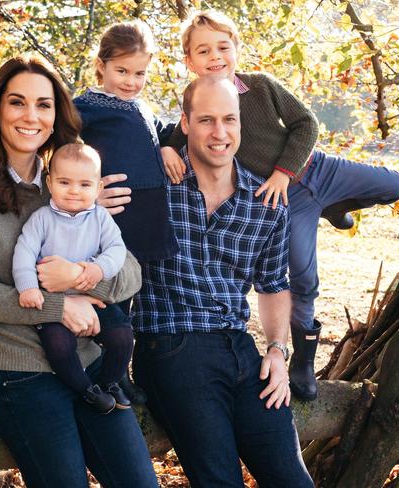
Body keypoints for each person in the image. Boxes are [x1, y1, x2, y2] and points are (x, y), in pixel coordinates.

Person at [0, 55, 158, 488]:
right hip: (20, 373)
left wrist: (78, 275)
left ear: (57, 116)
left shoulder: (72, 182)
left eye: (44, 104)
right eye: (17, 103)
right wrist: (58, 307)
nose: (31, 116)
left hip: (91, 363)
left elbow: (130, 272)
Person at [161, 10, 399, 401]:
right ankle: (303, 363)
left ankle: (336, 205)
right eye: (203, 51)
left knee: (395, 184)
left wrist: (282, 171)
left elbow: (306, 123)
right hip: (287, 202)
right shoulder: (199, 106)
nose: (215, 57)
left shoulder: (260, 86)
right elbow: (178, 135)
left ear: (236, 49)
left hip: (316, 170)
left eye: (223, 47)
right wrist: (164, 149)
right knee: (303, 278)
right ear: (189, 61)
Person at [132, 76, 314, 487]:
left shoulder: (265, 202)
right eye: (207, 120)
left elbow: (272, 285)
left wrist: (277, 351)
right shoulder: (155, 187)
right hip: (172, 345)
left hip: (240, 349)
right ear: (185, 122)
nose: (220, 132)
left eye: (229, 120)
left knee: (293, 480)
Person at [13, 143, 133, 414]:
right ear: (50, 182)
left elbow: (117, 250)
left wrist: (98, 269)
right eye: (64, 182)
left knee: (122, 336)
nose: (74, 191)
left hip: (90, 297)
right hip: (54, 302)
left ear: (98, 188)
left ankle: (109, 382)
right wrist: (28, 287)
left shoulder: (100, 218)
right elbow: (24, 252)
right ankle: (86, 390)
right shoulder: (41, 219)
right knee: (58, 346)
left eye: (84, 184)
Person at [73, 20, 178, 265]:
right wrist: (84, 192)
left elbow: (166, 133)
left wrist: (168, 147)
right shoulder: (87, 106)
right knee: (113, 290)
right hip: (119, 214)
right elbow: (58, 144)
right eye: (122, 71)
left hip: (152, 216)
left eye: (139, 73)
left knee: (145, 291)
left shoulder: (141, 107)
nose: (131, 82)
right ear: (102, 65)